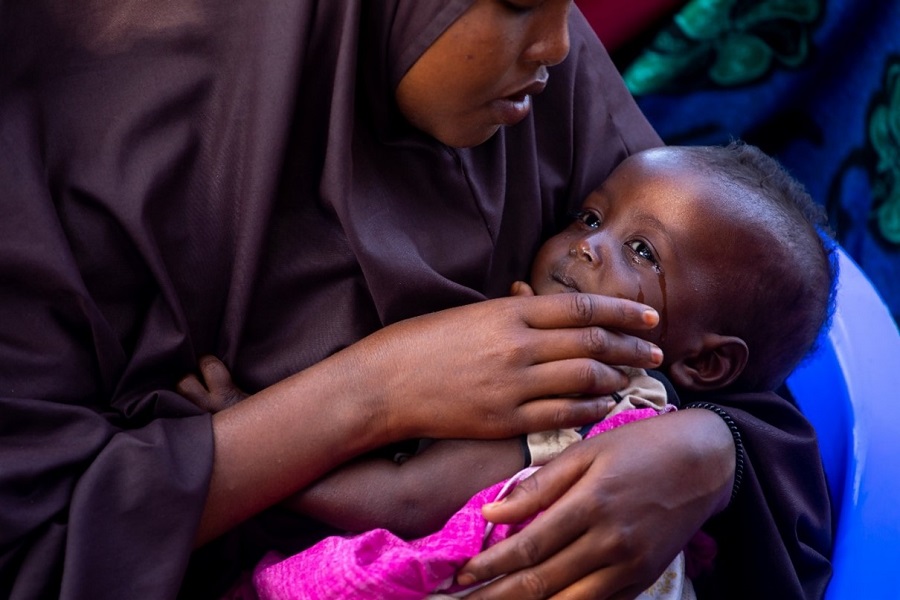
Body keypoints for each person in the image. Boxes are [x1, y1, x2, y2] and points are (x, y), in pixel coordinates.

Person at [0, 2, 832, 599]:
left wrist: (703, 455)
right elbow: (38, 538)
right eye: (514, 4)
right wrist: (371, 393)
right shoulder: (64, 129)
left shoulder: (545, 94)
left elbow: (737, 338)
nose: (557, 42)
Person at [178, 141, 837, 600]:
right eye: (591, 215)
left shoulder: (574, 400)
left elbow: (402, 500)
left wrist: (255, 427)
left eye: (639, 251)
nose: (587, 242)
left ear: (706, 359)